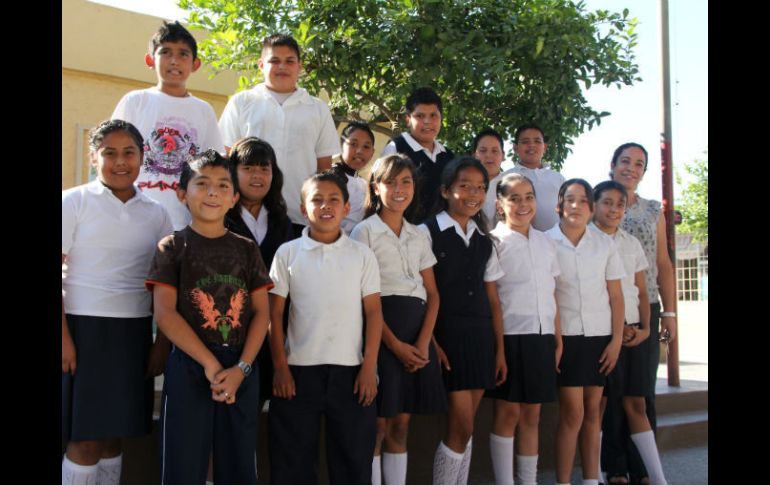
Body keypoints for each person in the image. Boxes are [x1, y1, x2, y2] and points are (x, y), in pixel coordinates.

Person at [146, 150, 273, 485]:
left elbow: (262, 312)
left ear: (234, 198)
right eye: (202, 184)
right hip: (189, 365)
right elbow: (165, 313)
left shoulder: (246, 249)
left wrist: (241, 368)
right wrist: (210, 365)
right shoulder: (172, 247)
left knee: (238, 463)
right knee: (183, 463)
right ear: (182, 193)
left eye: (222, 185)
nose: (213, 192)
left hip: (241, 368)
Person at [62, 120, 173, 485]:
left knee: (114, 437)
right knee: (85, 439)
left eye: (129, 152)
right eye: (109, 153)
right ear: (94, 157)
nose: (120, 161)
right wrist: (64, 339)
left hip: (133, 333)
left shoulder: (157, 213)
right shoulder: (73, 201)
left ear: (143, 157)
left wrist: (160, 343)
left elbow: (165, 285)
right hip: (82, 331)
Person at [267, 172, 385, 484]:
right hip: (297, 374)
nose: (325, 206)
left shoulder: (362, 255)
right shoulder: (288, 253)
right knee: (292, 462)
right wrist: (280, 367)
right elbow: (273, 314)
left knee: (352, 461)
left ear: (347, 208)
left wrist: (369, 367)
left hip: (352, 374)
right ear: (303, 209)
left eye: (334, 199)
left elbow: (374, 313)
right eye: (316, 200)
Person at [350, 154, 447, 485]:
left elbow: (432, 294)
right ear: (376, 188)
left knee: (401, 424)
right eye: (390, 182)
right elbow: (364, 299)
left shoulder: (419, 234)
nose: (399, 189)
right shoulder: (364, 232)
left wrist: (422, 343)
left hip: (417, 333)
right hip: (383, 333)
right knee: (378, 425)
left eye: (406, 181)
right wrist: (395, 346)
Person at [419, 156, 507, 485]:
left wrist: (499, 350)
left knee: (466, 430)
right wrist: (432, 343)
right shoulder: (425, 233)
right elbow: (420, 295)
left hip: (481, 338)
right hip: (447, 338)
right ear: (445, 191)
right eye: (465, 186)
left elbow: (493, 300)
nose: (474, 194)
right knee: (462, 425)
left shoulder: (485, 240)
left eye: (481, 188)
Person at [218, 33, 341, 235]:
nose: (282, 66)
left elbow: (324, 167)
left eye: (289, 61)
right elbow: (226, 158)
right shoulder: (241, 102)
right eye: (274, 61)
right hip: (245, 217)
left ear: (300, 66)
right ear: (261, 65)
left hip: (300, 217)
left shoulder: (317, 108)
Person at [545, 179, 625, 485]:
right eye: (570, 199)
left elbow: (615, 295)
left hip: (600, 337)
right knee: (572, 414)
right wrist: (556, 341)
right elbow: (549, 294)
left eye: (583, 200)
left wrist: (616, 341)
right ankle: (563, 481)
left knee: (593, 412)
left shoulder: (604, 244)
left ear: (591, 208)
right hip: (566, 337)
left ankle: (592, 479)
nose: (576, 206)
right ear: (559, 205)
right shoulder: (545, 242)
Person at [607, 142, 677, 485]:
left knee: (641, 390)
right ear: (612, 165)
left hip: (646, 307)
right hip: (607, 308)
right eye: (625, 161)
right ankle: (615, 466)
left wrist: (670, 313)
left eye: (638, 164)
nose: (630, 168)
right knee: (612, 392)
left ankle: (643, 468)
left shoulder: (652, 211)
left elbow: (663, 263)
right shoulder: (599, 202)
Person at [112, 20, 224, 231]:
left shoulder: (203, 110)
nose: (174, 61)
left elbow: (214, 166)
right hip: (133, 219)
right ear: (150, 60)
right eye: (165, 52)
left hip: (184, 222)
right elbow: (112, 155)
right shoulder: (135, 102)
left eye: (183, 54)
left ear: (195, 64)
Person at [486, 173, 561, 485]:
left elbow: (553, 292)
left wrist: (557, 340)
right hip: (511, 337)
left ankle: (528, 481)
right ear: (500, 205)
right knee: (508, 414)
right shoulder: (493, 242)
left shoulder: (546, 242)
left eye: (529, 197)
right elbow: (493, 299)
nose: (523, 204)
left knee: (532, 415)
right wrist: (499, 349)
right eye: (514, 198)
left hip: (542, 338)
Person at [591, 181, 668, 485]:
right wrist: (616, 328)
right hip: (602, 333)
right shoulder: (587, 241)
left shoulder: (631, 243)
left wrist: (646, 329)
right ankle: (595, 474)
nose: (613, 209)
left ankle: (657, 477)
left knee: (637, 403)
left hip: (635, 332)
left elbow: (642, 290)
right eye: (607, 202)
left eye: (620, 204)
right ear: (594, 205)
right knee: (598, 405)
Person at [224, 136, 294, 408]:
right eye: (248, 168)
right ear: (233, 172)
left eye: (264, 169)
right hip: (230, 328)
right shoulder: (220, 217)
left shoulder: (282, 222)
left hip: (272, 326)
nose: (257, 176)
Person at [381, 87, 455, 221]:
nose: (427, 121)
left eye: (433, 115)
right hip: (405, 230)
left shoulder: (449, 156)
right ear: (408, 119)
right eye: (420, 116)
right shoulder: (395, 149)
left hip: (441, 231)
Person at [503, 123, 564, 231]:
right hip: (517, 238)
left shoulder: (558, 178)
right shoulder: (505, 178)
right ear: (515, 148)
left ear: (545, 147)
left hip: (556, 240)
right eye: (525, 142)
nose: (531, 145)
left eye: (537, 141)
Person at [331, 122, 376, 233]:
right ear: (341, 145)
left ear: (372, 153)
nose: (360, 151)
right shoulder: (330, 178)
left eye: (366, 147)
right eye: (353, 144)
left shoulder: (365, 184)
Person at [472, 128, 506, 223]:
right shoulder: (465, 186)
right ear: (474, 155)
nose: (488, 155)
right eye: (483, 151)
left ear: (503, 155)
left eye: (494, 151)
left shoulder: (512, 184)